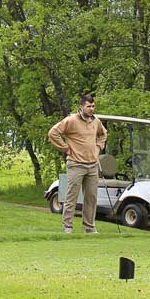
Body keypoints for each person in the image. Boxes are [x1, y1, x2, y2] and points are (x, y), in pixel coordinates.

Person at [48, 95, 107, 234]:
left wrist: (98, 148)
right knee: (72, 196)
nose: (91, 109)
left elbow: (103, 134)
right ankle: (67, 226)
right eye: (89, 106)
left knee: (91, 197)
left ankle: (89, 227)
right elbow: (53, 133)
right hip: (76, 164)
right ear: (82, 106)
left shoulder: (96, 121)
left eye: (93, 106)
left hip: (92, 164)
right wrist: (65, 148)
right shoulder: (71, 120)